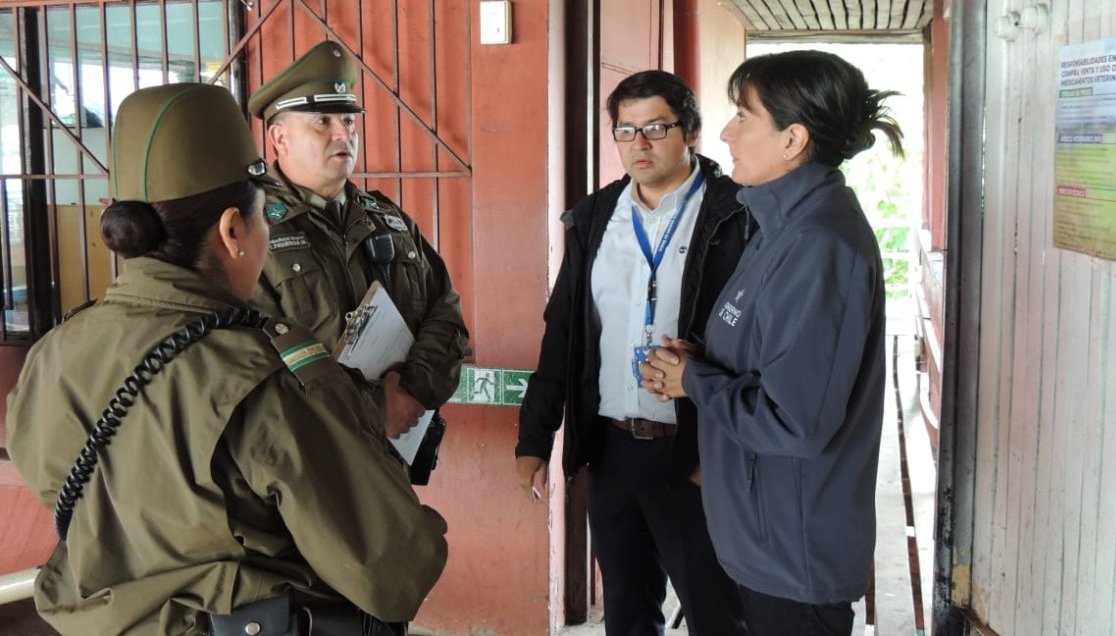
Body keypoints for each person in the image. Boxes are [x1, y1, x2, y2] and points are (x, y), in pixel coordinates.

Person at [5, 83, 447, 636]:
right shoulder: (268, 377)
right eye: (263, 220)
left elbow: (61, 486)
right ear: (233, 231)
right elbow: (394, 572)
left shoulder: (52, 355)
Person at [640, 50, 904, 636]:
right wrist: (699, 362)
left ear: (793, 140)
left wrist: (693, 380)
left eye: (743, 116)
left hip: (792, 551)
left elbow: (794, 423)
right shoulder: (780, 225)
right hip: (762, 534)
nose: (726, 134)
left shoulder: (818, 245)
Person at [515, 70, 749, 635]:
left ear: (690, 131)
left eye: (656, 128)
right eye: (625, 130)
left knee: (717, 614)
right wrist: (535, 438)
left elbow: (757, 341)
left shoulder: (735, 214)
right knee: (626, 611)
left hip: (694, 453)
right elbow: (563, 333)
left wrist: (727, 456)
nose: (639, 144)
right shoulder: (596, 217)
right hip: (612, 449)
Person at [247, 41, 469, 439]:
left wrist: (409, 394)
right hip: (310, 449)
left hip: (396, 443)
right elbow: (249, 357)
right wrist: (372, 410)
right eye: (322, 122)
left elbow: (445, 308)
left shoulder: (387, 219)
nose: (343, 134)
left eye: (349, 121)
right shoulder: (250, 230)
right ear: (280, 138)